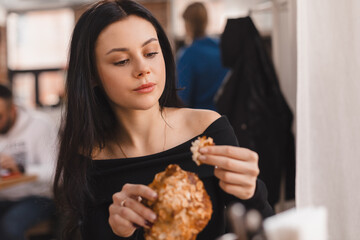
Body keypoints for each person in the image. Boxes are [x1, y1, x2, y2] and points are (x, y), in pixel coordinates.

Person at [53, 0, 273, 239]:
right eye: (121, 61)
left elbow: (262, 228)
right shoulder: (87, 158)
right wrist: (117, 232)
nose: (143, 68)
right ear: (92, 75)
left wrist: (251, 192)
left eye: (150, 53)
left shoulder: (207, 130)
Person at [0, 84, 58, 240]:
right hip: (4, 197)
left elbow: (56, 173)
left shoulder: (40, 125)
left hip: (38, 197)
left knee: (9, 226)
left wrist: (20, 168)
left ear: (13, 110)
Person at [176, 2, 229, 110]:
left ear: (188, 25)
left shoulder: (188, 55)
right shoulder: (223, 48)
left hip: (200, 120)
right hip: (226, 118)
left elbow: (182, 99)